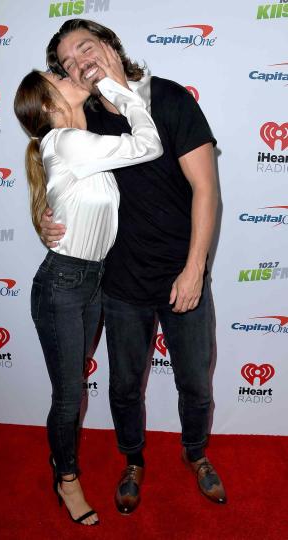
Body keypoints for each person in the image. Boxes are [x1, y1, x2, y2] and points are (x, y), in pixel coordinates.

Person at [40, 19, 226, 513]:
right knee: (123, 387)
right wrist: (44, 217)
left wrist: (194, 269)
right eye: (68, 62)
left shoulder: (167, 98)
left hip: (180, 273)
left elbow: (206, 190)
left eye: (85, 47)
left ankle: (196, 453)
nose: (80, 61)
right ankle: (133, 460)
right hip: (119, 282)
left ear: (110, 45)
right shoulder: (82, 121)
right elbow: (60, 177)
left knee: (194, 381)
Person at [13, 44, 163, 526]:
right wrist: (123, 93)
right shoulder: (66, 141)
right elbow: (148, 144)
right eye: (54, 75)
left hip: (93, 278)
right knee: (68, 393)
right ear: (48, 103)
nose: (63, 72)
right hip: (63, 283)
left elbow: (139, 92)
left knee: (70, 388)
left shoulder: (81, 139)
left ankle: (64, 468)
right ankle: (67, 478)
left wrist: (121, 86)